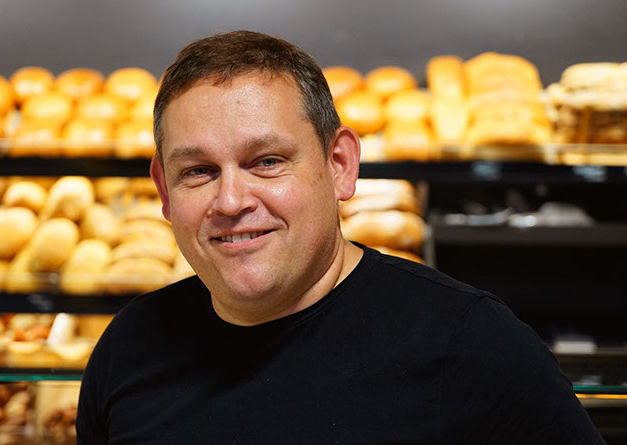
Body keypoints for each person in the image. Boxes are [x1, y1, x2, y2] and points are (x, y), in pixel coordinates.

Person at [77, 30, 604, 444]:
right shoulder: (128, 348)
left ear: (340, 166)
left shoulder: (472, 346)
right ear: (164, 191)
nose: (231, 201)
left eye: (267, 161)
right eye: (198, 171)